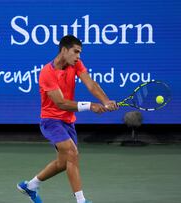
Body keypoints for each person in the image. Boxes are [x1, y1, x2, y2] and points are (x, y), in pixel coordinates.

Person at [17, 35, 118, 203]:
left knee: (64, 162)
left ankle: (31, 186)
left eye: (80, 53)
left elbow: (91, 84)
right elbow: (61, 103)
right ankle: (81, 200)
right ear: (64, 50)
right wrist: (90, 106)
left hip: (68, 121)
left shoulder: (76, 64)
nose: (78, 56)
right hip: (51, 121)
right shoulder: (47, 73)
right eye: (76, 52)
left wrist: (105, 101)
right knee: (72, 153)